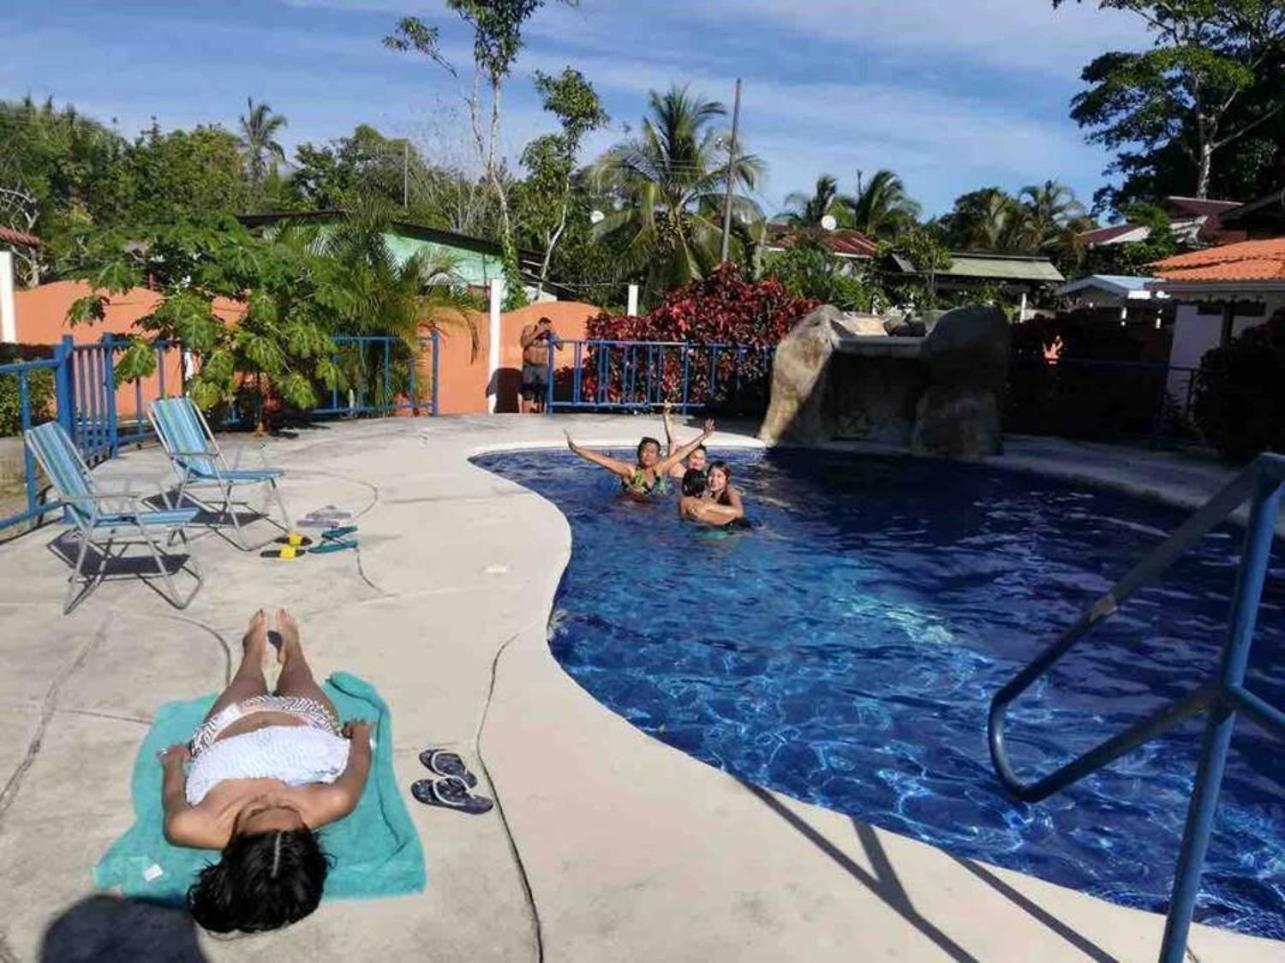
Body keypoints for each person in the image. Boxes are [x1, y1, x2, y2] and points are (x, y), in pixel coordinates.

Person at [161, 609, 371, 933]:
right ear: (306, 836)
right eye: (286, 807)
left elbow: (174, 793)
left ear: (233, 848)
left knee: (247, 679)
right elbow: (359, 764)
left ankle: (254, 650)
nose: (271, 796)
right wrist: (359, 735)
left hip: (230, 724)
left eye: (256, 810)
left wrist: (173, 762)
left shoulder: (189, 825)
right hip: (306, 719)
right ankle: (293, 650)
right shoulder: (335, 801)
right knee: (299, 677)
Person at [565, 420, 715, 500]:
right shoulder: (630, 470)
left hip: (654, 508)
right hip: (631, 508)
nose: (648, 455)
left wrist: (704, 436)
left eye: (652, 452)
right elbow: (602, 460)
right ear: (638, 453)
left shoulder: (660, 468)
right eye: (644, 451)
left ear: (658, 456)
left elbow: (683, 452)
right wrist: (577, 449)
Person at [680, 460, 746, 527]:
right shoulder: (707, 493)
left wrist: (708, 506)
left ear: (727, 479)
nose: (714, 480)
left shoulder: (730, 490)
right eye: (711, 475)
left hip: (737, 525)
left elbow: (739, 512)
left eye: (719, 476)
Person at [519, 316, 562, 414]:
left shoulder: (549, 335)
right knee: (527, 394)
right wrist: (537, 332)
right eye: (544, 329)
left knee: (543, 394)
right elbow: (523, 343)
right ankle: (525, 418)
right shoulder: (529, 329)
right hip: (529, 366)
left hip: (542, 367)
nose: (544, 333)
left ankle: (542, 416)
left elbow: (561, 346)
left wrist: (553, 333)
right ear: (538, 325)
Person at [662, 401, 709, 483]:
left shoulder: (708, 476)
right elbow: (671, 441)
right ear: (687, 458)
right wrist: (666, 414)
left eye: (701, 459)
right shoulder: (677, 471)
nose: (697, 462)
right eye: (694, 457)